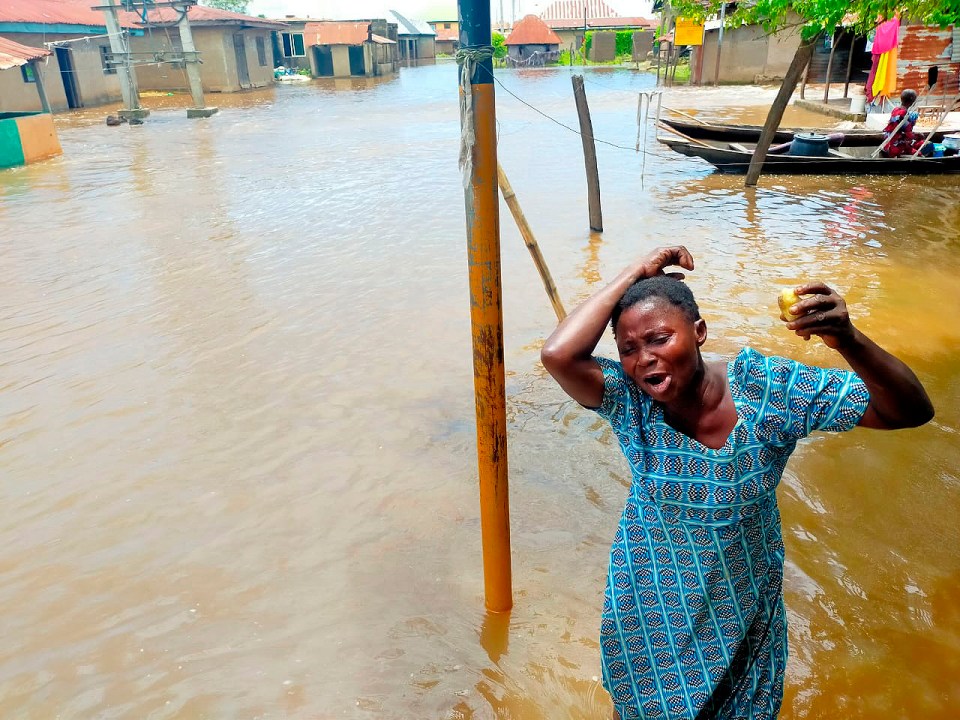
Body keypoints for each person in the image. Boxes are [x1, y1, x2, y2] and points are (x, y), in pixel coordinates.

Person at [540, 246, 934, 719]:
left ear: (700, 333)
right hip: (651, 603)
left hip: (740, 603)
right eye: (628, 349)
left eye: (660, 338)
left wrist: (847, 339)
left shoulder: (767, 391)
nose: (644, 359)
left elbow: (910, 411)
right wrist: (634, 273)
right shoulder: (631, 403)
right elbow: (558, 354)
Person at [880, 89, 932, 158]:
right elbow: (909, 134)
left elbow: (900, 129)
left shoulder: (896, 110)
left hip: (889, 142)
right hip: (896, 146)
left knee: (919, 144)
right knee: (925, 148)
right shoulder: (903, 114)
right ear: (913, 101)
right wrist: (918, 136)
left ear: (901, 98)